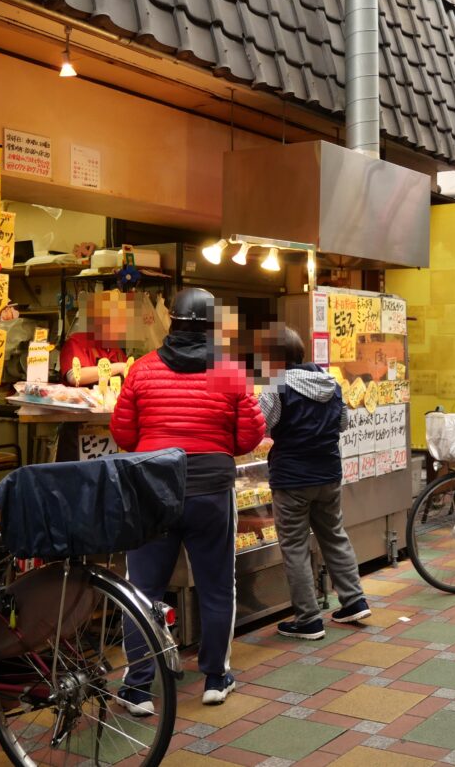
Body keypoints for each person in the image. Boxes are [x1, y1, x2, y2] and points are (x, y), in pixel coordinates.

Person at [110, 288, 266, 712]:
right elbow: (252, 434)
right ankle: (215, 677)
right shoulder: (230, 372)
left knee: (142, 589)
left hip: (152, 486)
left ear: (172, 322)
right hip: (210, 490)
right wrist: (217, 447)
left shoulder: (142, 370)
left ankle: (139, 687)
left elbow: (123, 433)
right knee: (217, 586)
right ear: (211, 327)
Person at [258, 327, 370, 639]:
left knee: (294, 546)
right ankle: (354, 600)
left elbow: (259, 425)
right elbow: (343, 424)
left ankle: (308, 619)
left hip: (292, 478)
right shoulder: (331, 382)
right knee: (334, 535)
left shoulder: (276, 386)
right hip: (329, 473)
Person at [60, 290, 130, 386]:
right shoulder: (76, 342)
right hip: (81, 400)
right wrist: (119, 367)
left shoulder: (115, 348)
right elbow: (74, 377)